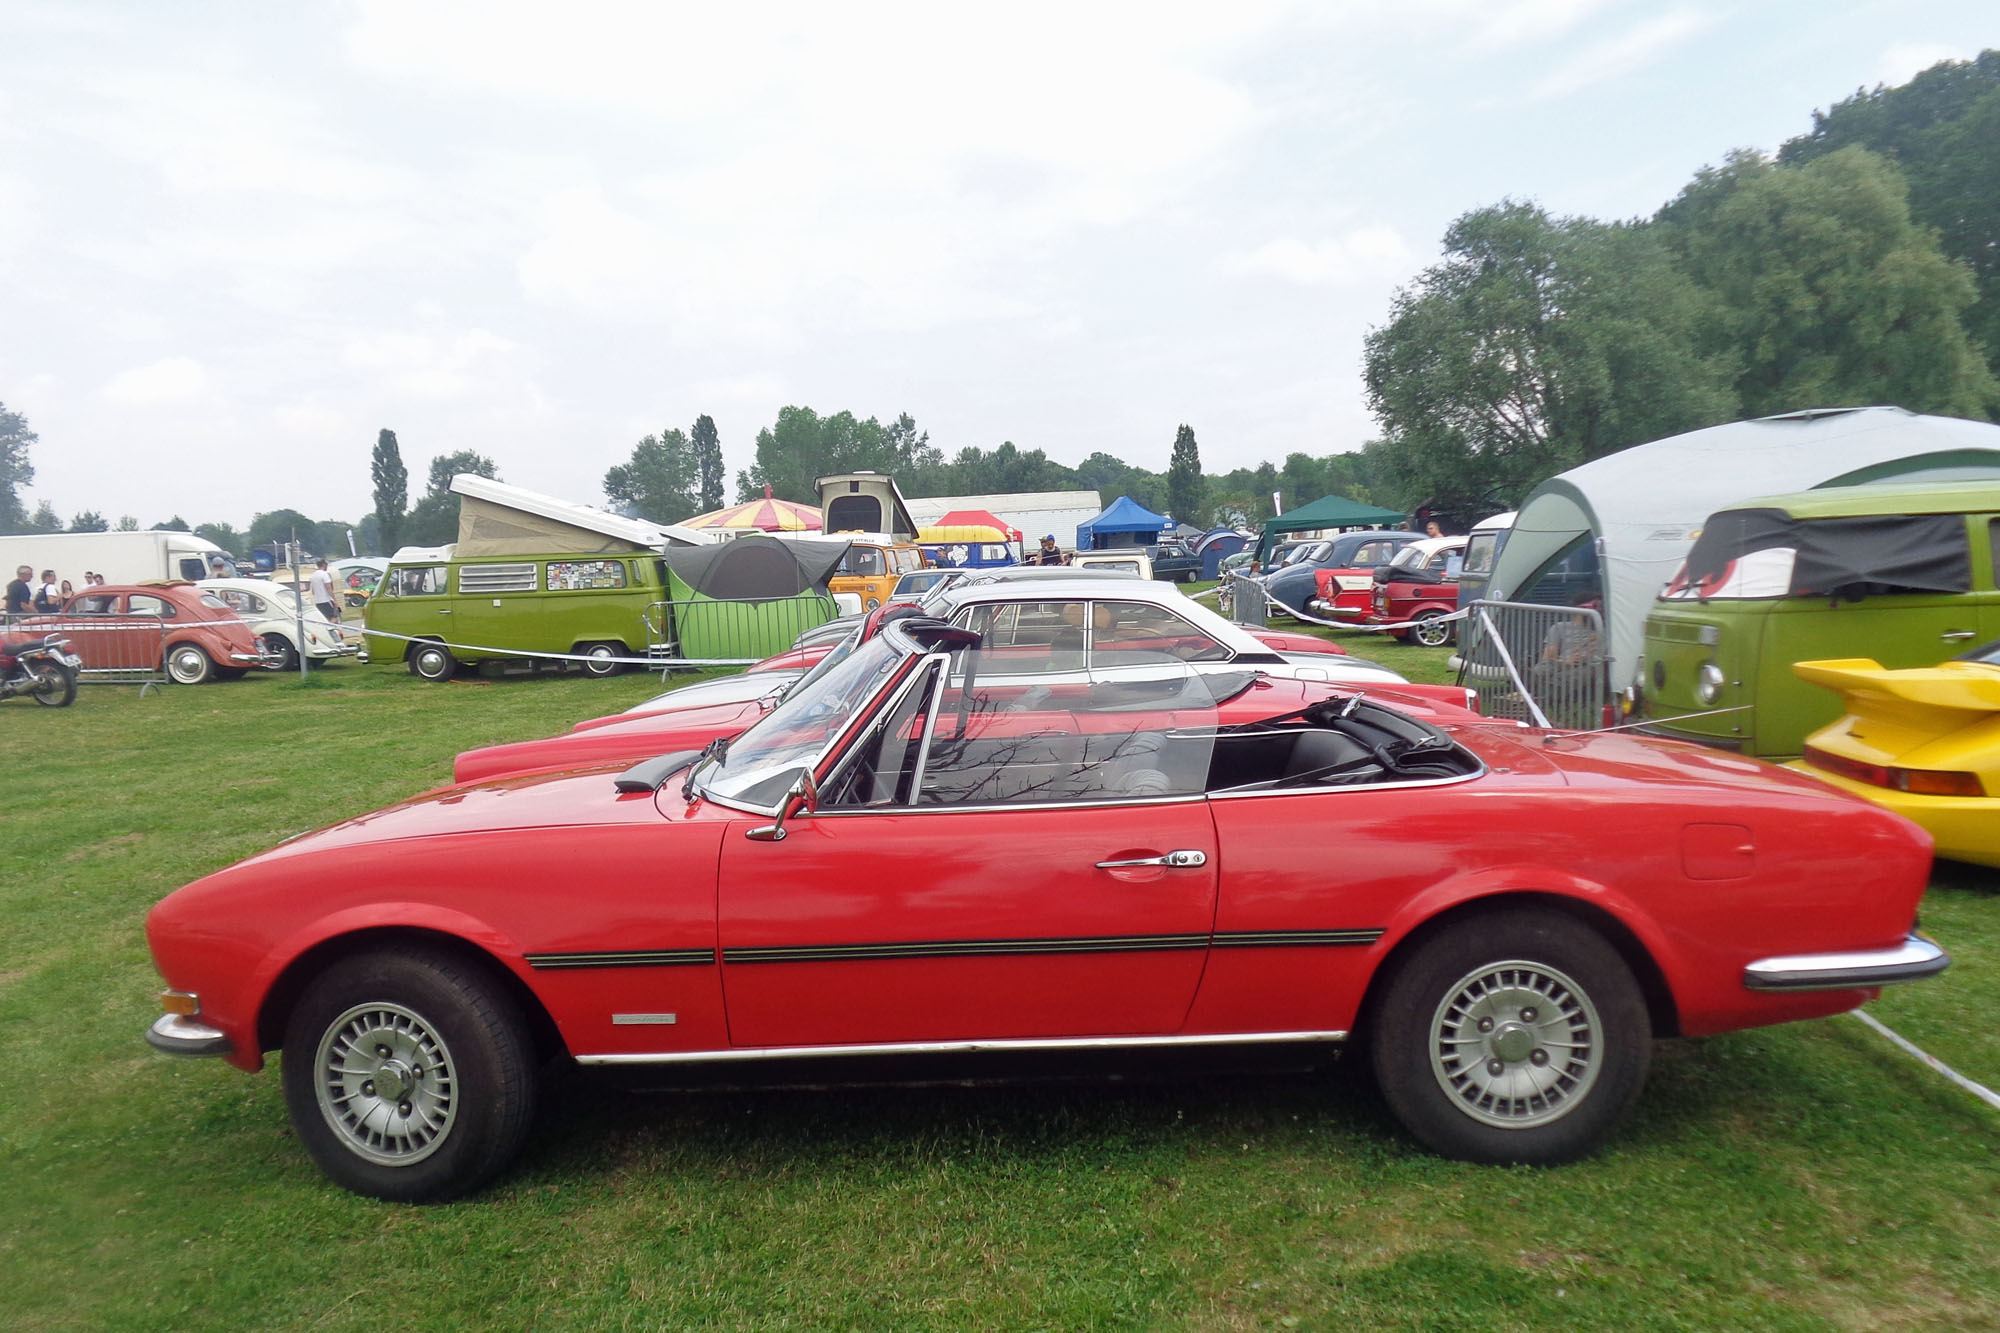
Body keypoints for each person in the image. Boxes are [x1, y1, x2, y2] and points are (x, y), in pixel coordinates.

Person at [307, 558, 341, 623]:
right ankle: (332, 631)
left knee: (324, 619)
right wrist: (335, 600)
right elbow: (328, 588)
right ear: (323, 565)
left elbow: (313, 591)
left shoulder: (313, 575)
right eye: (326, 564)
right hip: (327, 600)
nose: (327, 566)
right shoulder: (324, 574)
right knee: (334, 618)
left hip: (318, 601)